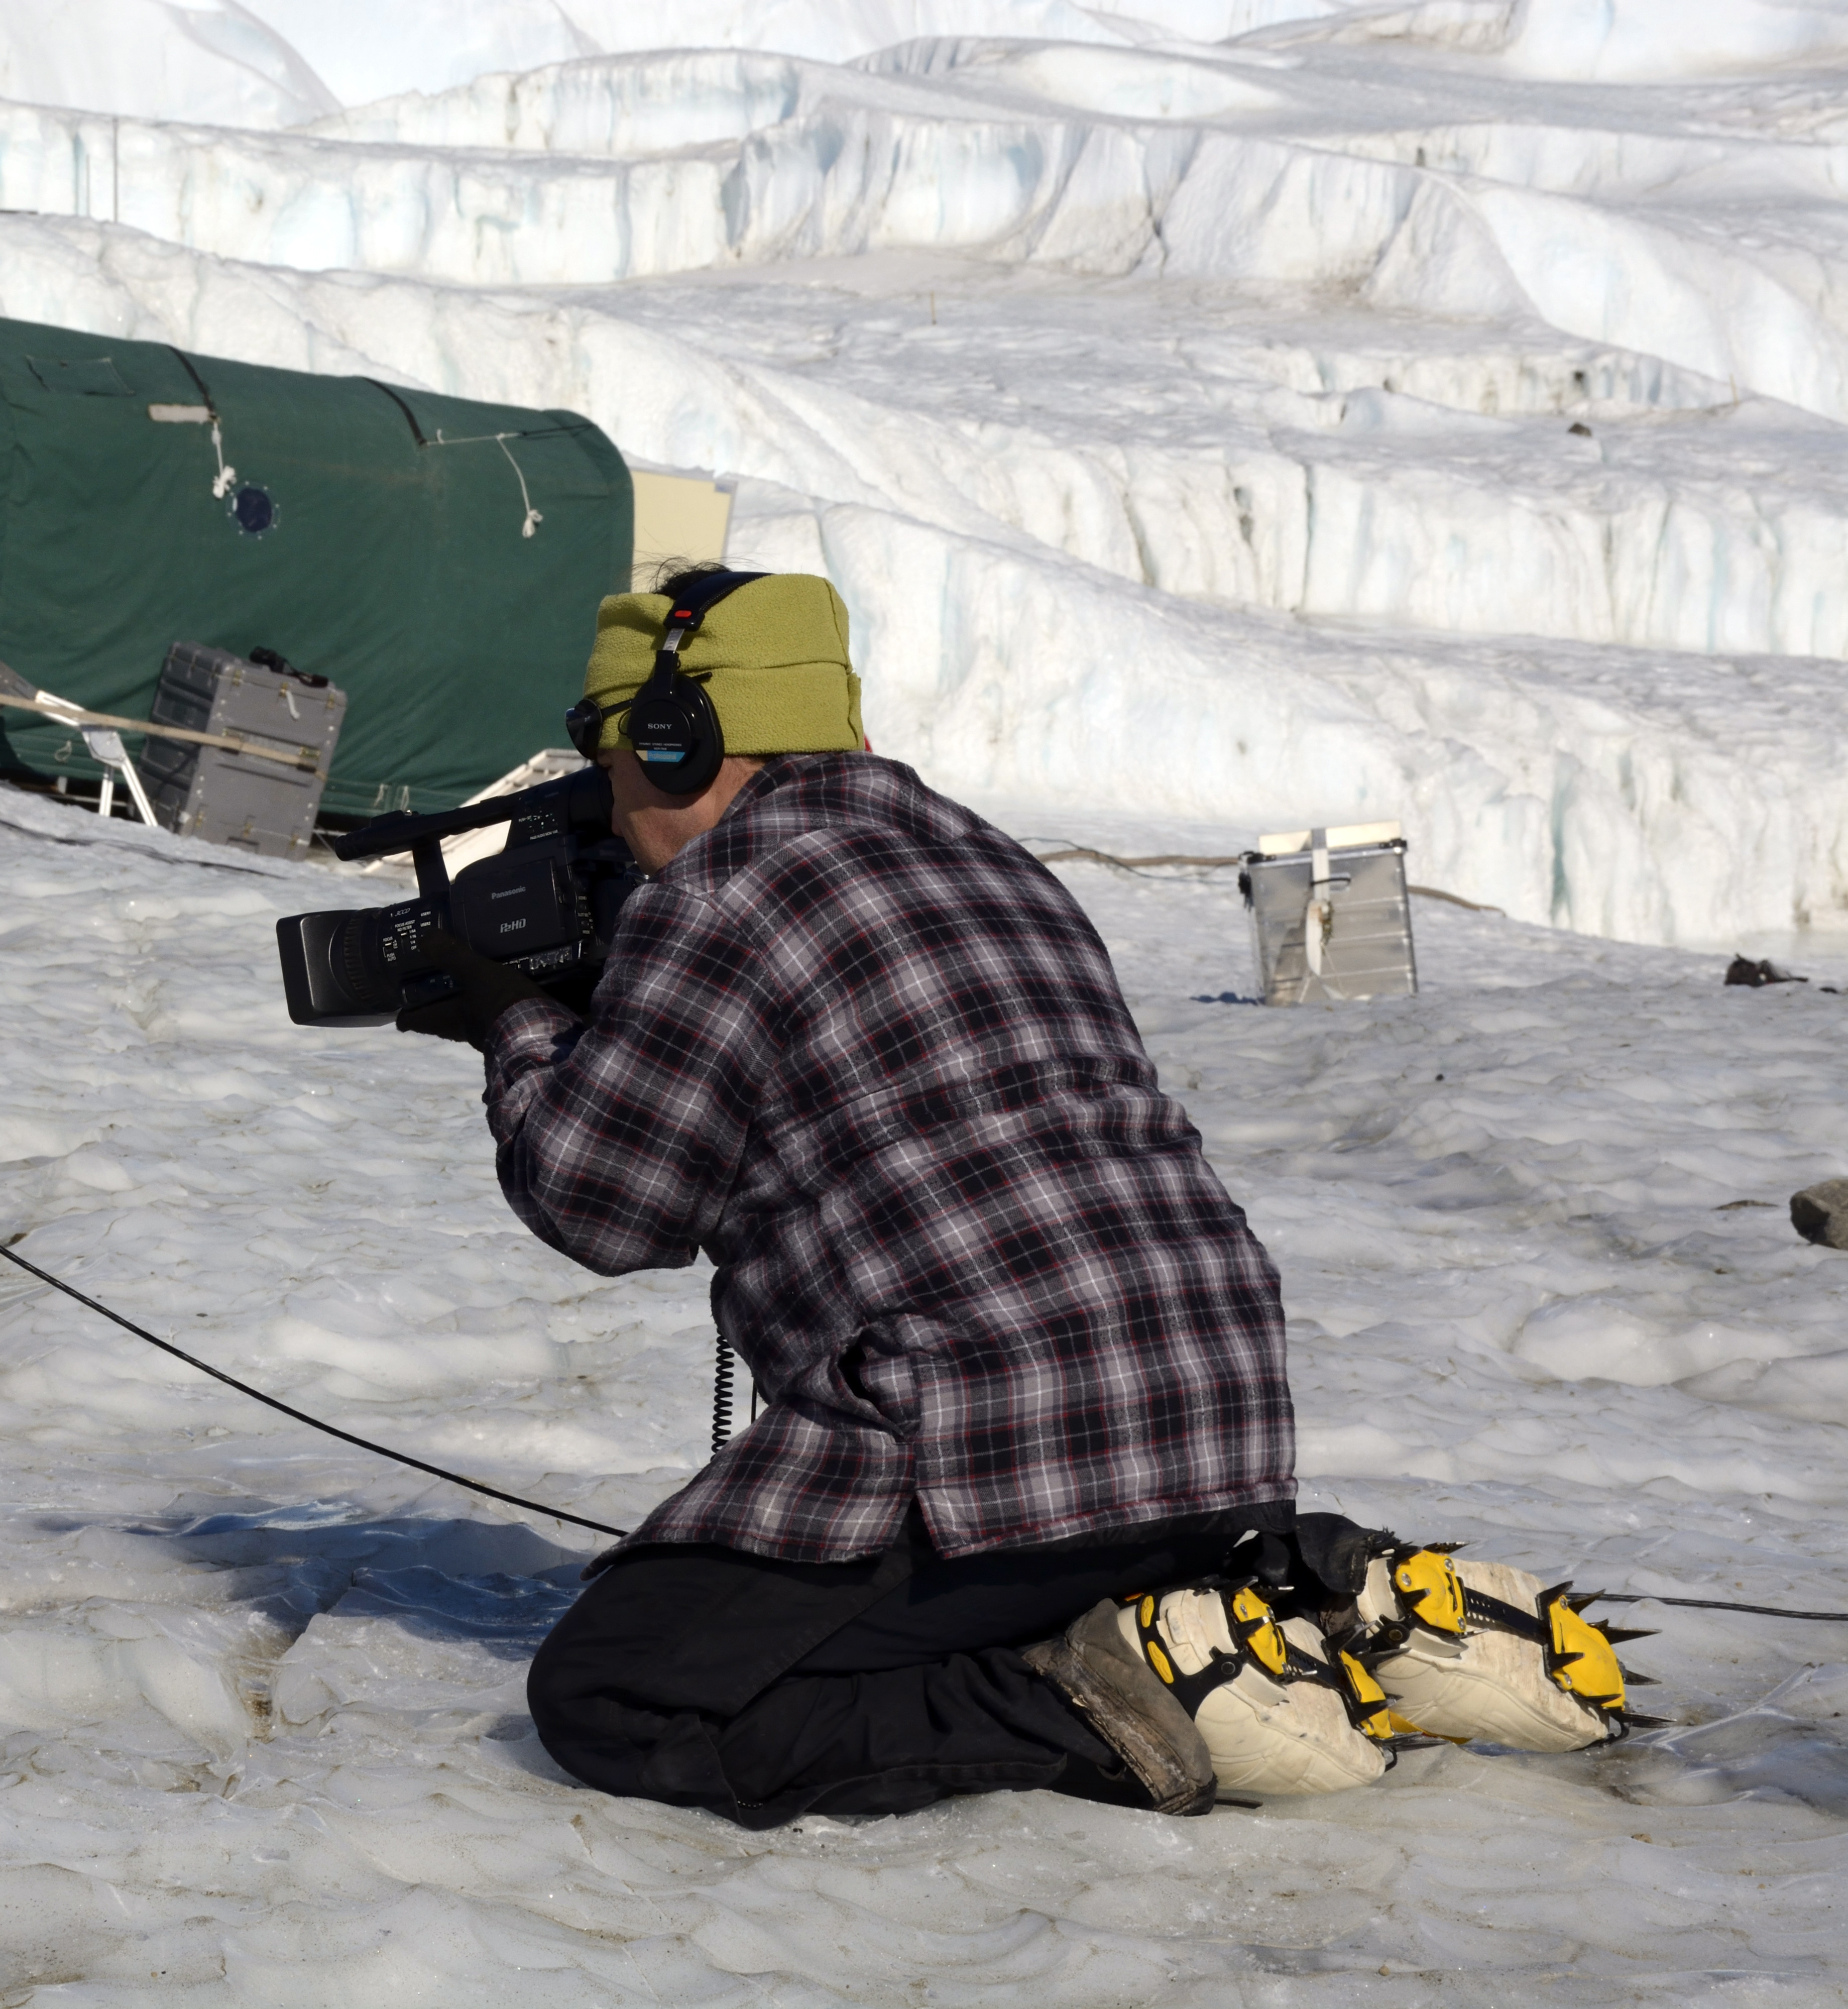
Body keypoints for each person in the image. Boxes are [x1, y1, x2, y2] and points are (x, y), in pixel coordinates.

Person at [393, 570, 1635, 1820]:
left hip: (992, 1453)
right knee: (923, 1606)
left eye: (611, 765)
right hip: (1218, 1427)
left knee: (623, 1692)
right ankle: (1288, 1616)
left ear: (677, 742)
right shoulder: (994, 859)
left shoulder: (721, 897)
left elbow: (608, 1206)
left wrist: (519, 1027)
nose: (611, 813)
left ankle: (1109, 1692)